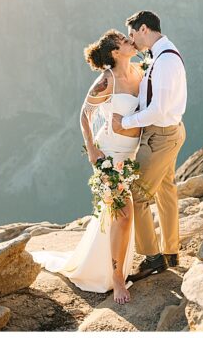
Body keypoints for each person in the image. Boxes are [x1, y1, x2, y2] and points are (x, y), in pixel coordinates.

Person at [31, 30, 143, 304]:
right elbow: (84, 114)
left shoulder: (140, 72)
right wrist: (93, 151)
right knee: (124, 215)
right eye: (125, 41)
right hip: (109, 155)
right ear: (116, 52)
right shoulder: (106, 81)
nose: (132, 42)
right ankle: (117, 280)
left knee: (118, 216)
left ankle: (106, 266)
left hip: (131, 155)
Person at [113, 10, 187, 282]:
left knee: (138, 195)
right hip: (169, 132)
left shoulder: (165, 60)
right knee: (166, 189)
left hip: (160, 136)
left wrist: (127, 122)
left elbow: (158, 109)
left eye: (132, 34)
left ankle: (152, 258)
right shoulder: (161, 53)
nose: (131, 40)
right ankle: (170, 250)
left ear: (144, 29)